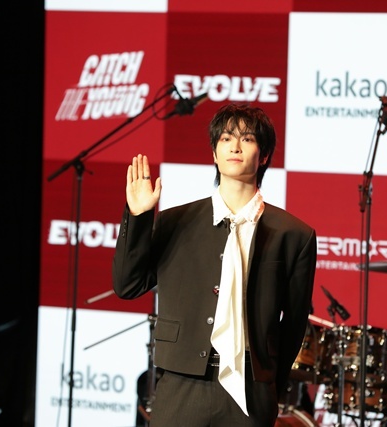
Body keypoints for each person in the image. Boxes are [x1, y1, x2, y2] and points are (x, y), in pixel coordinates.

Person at [113, 103, 317, 426]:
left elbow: (294, 324)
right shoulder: (174, 222)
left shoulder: (295, 235)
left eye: (247, 139)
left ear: (264, 155)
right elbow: (127, 285)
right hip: (180, 386)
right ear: (214, 153)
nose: (235, 147)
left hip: (250, 391)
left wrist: (268, 388)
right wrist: (139, 217)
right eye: (226, 138)